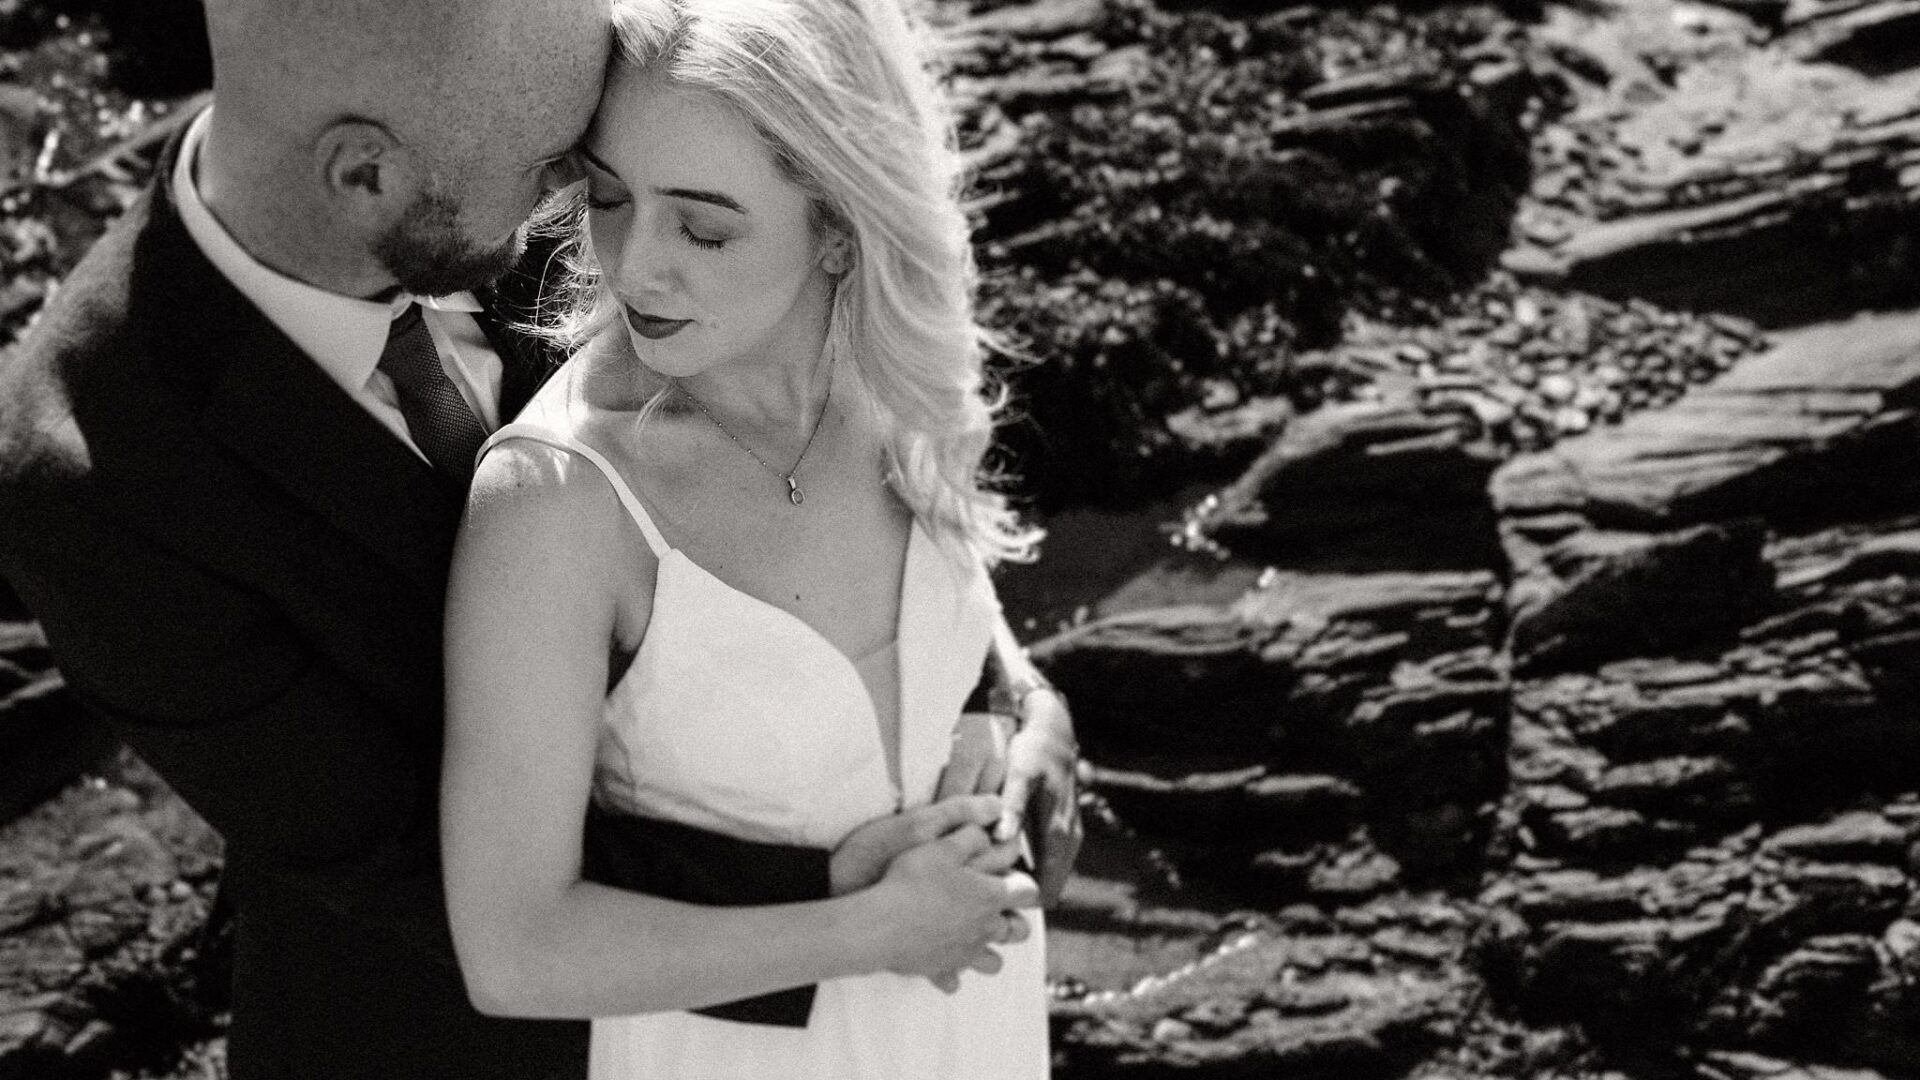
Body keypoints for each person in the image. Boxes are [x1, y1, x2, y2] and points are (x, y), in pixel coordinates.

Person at [0, 0, 1074, 1075]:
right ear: (366, 175)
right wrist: (867, 904)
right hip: (469, 1036)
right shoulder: (91, 475)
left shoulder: (532, 147)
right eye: (568, 176)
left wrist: (1007, 694)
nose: (598, 234)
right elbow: (408, 866)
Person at [438, 0, 1078, 1074]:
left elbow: (952, 620)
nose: (636, 266)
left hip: (974, 1021)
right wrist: (876, 930)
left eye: (704, 225)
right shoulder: (557, 502)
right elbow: (513, 948)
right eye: (607, 196)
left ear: (838, 225)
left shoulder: (892, 372)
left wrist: (1028, 709)